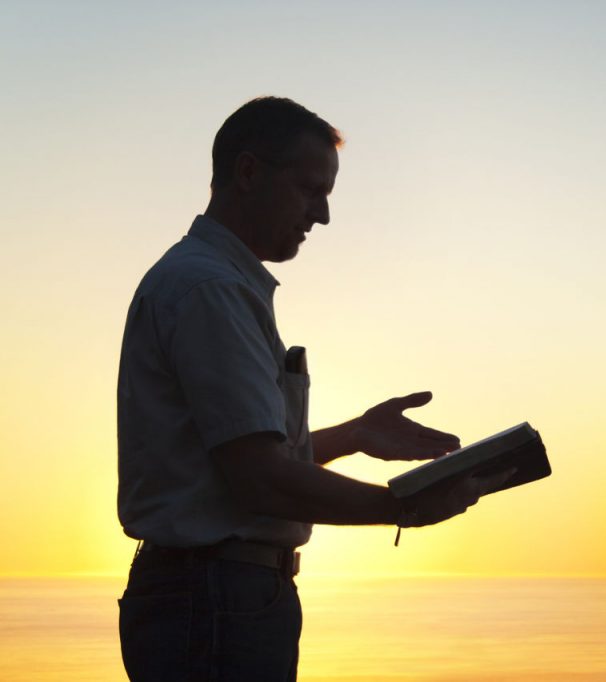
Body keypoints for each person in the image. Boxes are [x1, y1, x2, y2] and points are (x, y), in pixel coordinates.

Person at [116, 96, 512, 682]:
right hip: (217, 599)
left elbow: (230, 462)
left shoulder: (209, 283)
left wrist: (352, 435)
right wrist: (401, 506)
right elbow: (257, 480)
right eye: (309, 190)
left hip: (215, 596)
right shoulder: (210, 290)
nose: (322, 216)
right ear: (248, 172)